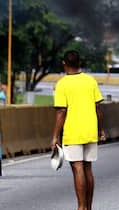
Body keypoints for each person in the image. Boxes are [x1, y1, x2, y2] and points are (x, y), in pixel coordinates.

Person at [51, 50, 106, 210]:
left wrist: (55, 136)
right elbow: (98, 108)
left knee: (77, 167)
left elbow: (61, 112)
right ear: (79, 62)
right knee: (88, 167)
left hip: (73, 132)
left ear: (64, 63)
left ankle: (81, 207)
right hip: (90, 130)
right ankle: (88, 207)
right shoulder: (90, 81)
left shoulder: (62, 84)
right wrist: (100, 130)